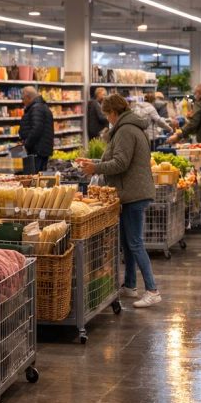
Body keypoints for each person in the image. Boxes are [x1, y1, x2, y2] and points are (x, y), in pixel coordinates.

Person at [77, 94, 161, 309]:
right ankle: (130, 285)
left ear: (114, 112)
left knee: (135, 243)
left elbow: (121, 163)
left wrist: (95, 168)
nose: (107, 119)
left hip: (133, 193)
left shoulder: (125, 130)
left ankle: (152, 290)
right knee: (127, 242)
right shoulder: (130, 127)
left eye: (107, 114)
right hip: (130, 191)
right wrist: (95, 163)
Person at [18, 86, 54, 174]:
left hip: (36, 151)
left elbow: (36, 129)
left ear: (28, 97)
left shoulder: (36, 108)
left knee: (33, 177)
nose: (22, 101)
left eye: (23, 98)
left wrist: (26, 145)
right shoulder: (42, 107)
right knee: (39, 176)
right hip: (41, 150)